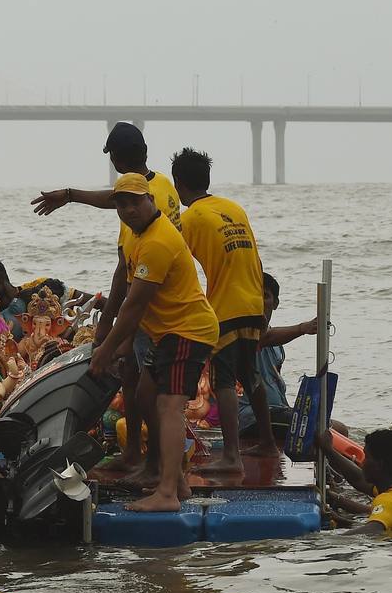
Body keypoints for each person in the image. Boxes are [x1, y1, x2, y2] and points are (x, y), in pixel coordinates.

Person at [32, 122, 182, 477]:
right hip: (154, 298)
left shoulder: (143, 204)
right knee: (132, 376)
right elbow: (122, 264)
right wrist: (69, 194)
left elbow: (129, 277)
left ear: (116, 159)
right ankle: (134, 454)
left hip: (157, 306)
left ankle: (157, 467)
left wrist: (109, 335)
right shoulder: (158, 187)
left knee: (151, 391)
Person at [89, 173, 219, 512]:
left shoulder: (158, 241)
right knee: (145, 397)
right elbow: (131, 293)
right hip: (165, 333)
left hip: (189, 330)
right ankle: (176, 481)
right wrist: (119, 343)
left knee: (169, 406)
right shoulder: (136, 236)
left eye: (135, 201)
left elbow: (134, 305)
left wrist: (106, 347)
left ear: (151, 200)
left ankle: (167, 494)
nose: (129, 209)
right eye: (121, 203)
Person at [169, 147, 274, 472]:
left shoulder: (190, 219)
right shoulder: (233, 208)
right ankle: (269, 443)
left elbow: (171, 266)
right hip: (253, 301)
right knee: (250, 374)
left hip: (226, 308)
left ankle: (231, 457)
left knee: (223, 380)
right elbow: (255, 259)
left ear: (178, 184)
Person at [235, 272, 318, 437]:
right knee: (313, 427)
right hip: (249, 416)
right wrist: (302, 328)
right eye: (254, 295)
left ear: (276, 303)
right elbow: (263, 338)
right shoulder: (240, 333)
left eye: (265, 296)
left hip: (278, 411)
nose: (259, 301)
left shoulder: (278, 345)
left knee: (336, 427)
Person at [322, 430, 392, 534]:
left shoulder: (387, 500)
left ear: (379, 464)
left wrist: (331, 541)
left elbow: (373, 530)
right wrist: (344, 523)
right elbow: (358, 479)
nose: (362, 463)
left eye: (367, 457)